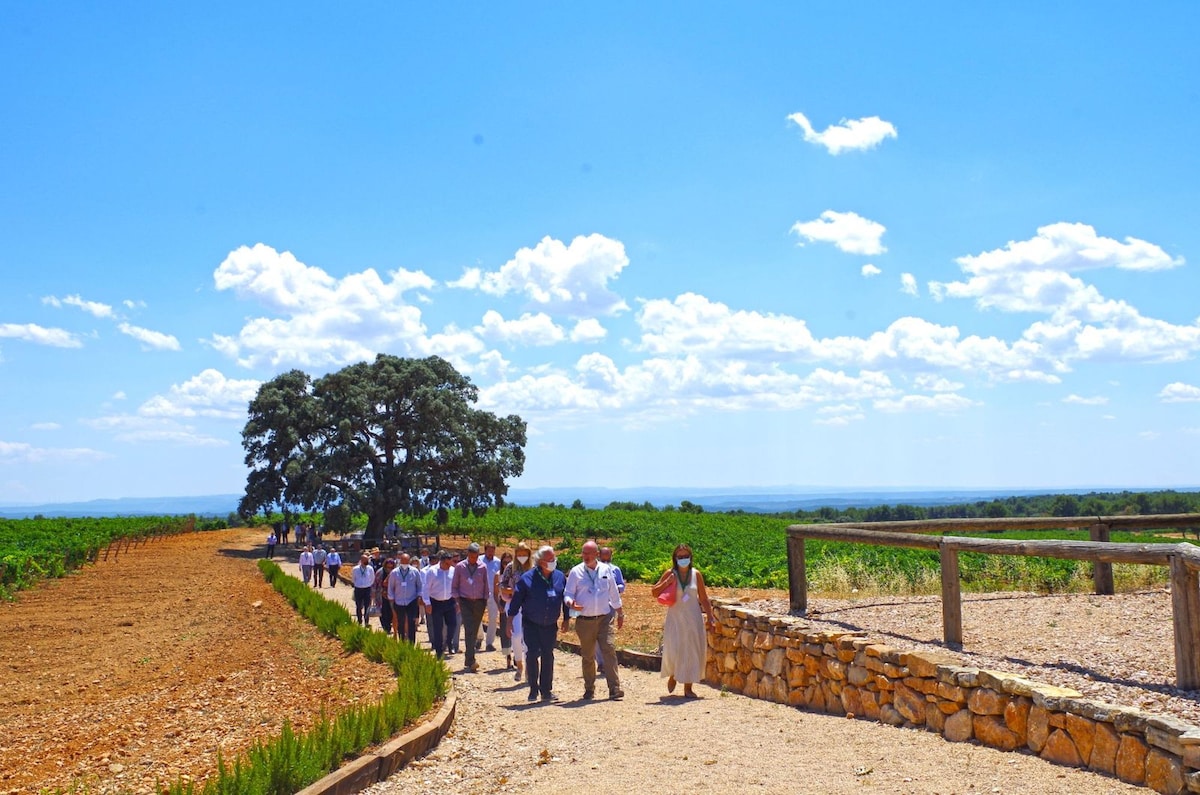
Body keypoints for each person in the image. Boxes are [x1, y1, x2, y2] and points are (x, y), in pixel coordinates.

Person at [650, 544, 715, 698]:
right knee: (675, 648)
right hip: (676, 618)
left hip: (693, 618)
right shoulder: (670, 573)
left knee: (692, 650)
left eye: (686, 556)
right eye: (680, 557)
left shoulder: (696, 575)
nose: (683, 559)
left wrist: (711, 617)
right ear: (675, 558)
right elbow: (654, 592)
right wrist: (667, 582)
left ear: (690, 557)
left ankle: (688, 687)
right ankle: (673, 674)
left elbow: (704, 598)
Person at [564, 540, 625, 700]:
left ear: (597, 554)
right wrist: (570, 603)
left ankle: (614, 688)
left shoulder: (606, 570)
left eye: (589, 553)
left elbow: (614, 593)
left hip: (605, 618)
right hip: (584, 621)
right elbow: (568, 593)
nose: (586, 556)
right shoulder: (576, 572)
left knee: (609, 650)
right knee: (588, 655)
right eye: (584, 553)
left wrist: (620, 613)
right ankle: (589, 688)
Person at [508, 545, 568, 702]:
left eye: (554, 558)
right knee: (532, 654)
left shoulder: (560, 577)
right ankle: (533, 689)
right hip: (531, 623)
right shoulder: (527, 579)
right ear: (541, 562)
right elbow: (516, 602)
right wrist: (509, 621)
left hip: (550, 624)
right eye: (550, 559)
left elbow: (565, 599)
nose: (554, 561)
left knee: (548, 656)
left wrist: (567, 619)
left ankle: (546, 691)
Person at [452, 542, 491, 672]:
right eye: (472, 556)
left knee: (474, 630)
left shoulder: (483, 567)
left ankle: (468, 658)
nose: (474, 559)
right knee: (469, 629)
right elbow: (455, 586)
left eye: (476, 556)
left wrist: (485, 600)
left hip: (479, 602)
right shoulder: (460, 567)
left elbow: (486, 585)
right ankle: (471, 659)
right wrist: (458, 600)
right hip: (465, 601)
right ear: (468, 554)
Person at [500, 542, 533, 681]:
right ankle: (519, 665)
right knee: (516, 636)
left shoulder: (533, 568)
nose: (522, 557)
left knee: (528, 639)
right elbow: (502, 585)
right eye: (519, 554)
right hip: (513, 605)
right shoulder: (510, 568)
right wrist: (512, 591)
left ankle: (529, 669)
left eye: (524, 554)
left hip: (529, 606)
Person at [596, 546, 625, 675]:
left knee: (607, 634)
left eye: (608, 555)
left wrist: (617, 588)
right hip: (596, 605)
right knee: (596, 635)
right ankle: (600, 662)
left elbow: (621, 585)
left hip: (610, 605)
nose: (606, 557)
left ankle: (606, 663)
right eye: (604, 555)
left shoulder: (615, 569)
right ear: (599, 555)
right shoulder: (593, 569)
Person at [423, 550, 457, 658]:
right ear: (441, 561)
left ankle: (448, 642)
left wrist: (457, 602)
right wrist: (427, 603)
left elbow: (456, 587)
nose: (449, 566)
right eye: (447, 563)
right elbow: (426, 588)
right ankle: (439, 650)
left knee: (453, 624)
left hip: (450, 601)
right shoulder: (432, 571)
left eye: (450, 563)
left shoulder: (453, 570)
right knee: (438, 627)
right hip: (436, 602)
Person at [389, 552, 423, 644]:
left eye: (407, 561)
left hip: (411, 601)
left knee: (411, 622)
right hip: (399, 601)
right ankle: (402, 641)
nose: (405, 563)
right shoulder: (394, 572)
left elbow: (420, 585)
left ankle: (412, 643)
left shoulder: (415, 571)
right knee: (401, 622)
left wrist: (419, 595)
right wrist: (391, 598)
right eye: (403, 561)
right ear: (400, 561)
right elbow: (391, 587)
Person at [480, 542, 502, 651]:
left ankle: (489, 643)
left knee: (493, 618)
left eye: (493, 550)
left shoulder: (498, 562)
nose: (491, 552)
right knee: (477, 618)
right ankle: (479, 637)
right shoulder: (479, 560)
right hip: (480, 593)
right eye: (489, 550)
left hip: (494, 593)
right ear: (485, 550)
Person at [494, 550, 514, 665]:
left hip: (515, 602)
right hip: (504, 602)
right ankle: (508, 657)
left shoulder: (516, 574)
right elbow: (496, 592)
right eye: (504, 562)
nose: (506, 564)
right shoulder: (498, 575)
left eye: (509, 562)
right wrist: (498, 605)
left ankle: (517, 655)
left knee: (516, 630)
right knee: (505, 631)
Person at [350, 552, 376, 625]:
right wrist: (358, 584)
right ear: (361, 560)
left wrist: (368, 585)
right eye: (365, 560)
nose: (367, 561)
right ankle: (359, 621)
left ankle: (367, 621)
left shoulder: (370, 568)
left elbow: (372, 578)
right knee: (358, 606)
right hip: (358, 589)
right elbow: (353, 579)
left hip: (367, 589)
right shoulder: (355, 569)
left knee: (367, 606)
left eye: (367, 560)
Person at [374, 556, 396, 634]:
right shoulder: (379, 572)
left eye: (391, 567)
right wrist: (373, 593)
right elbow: (375, 583)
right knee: (383, 612)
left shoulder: (395, 573)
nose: (389, 569)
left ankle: (390, 624)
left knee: (391, 611)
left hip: (392, 595)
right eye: (388, 567)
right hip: (381, 595)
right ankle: (386, 628)